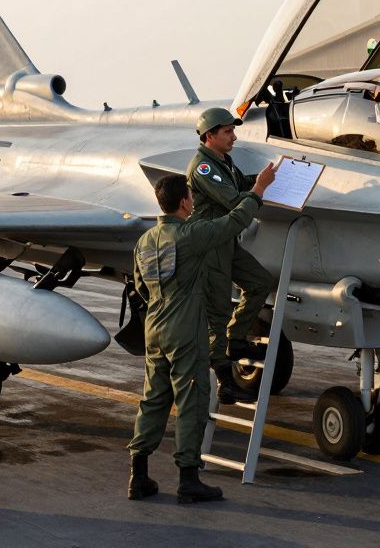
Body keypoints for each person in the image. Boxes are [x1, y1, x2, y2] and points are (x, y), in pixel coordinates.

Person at [127, 167, 276, 503]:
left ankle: (138, 476)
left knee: (153, 401)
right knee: (192, 402)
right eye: (191, 196)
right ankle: (189, 480)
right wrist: (258, 190)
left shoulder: (144, 242)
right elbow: (234, 223)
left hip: (155, 331)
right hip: (185, 333)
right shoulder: (191, 235)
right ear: (184, 202)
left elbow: (141, 287)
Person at [186, 107, 278, 405]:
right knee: (217, 314)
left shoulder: (223, 160)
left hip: (226, 241)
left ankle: (235, 340)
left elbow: (238, 183)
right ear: (209, 136)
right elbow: (233, 199)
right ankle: (226, 382)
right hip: (209, 244)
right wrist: (261, 188)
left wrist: (272, 175)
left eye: (233, 130)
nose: (234, 137)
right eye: (227, 132)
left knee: (260, 282)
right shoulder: (203, 167)